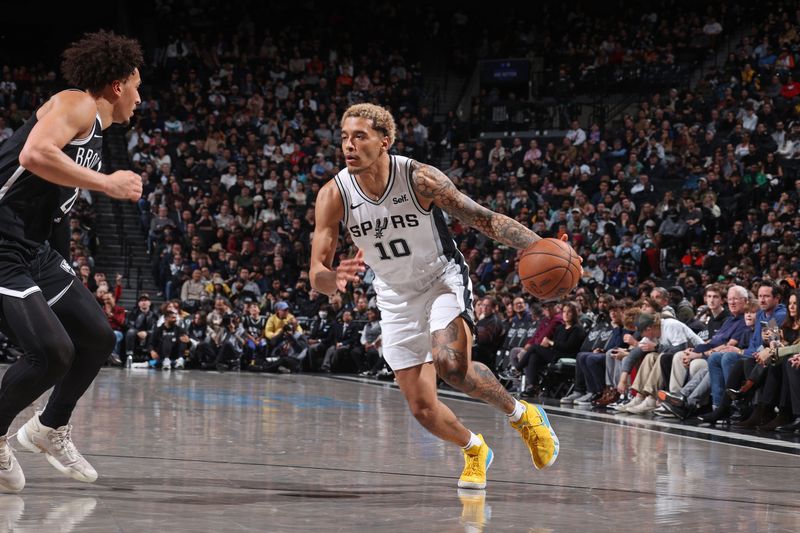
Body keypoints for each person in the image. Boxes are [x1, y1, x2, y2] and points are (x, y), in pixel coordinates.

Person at [310, 103, 570, 490]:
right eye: (345, 137)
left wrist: (541, 245)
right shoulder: (334, 195)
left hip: (440, 280)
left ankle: (523, 415)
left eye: (359, 136)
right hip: (395, 296)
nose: (348, 145)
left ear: (385, 141)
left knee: (451, 365)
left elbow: (484, 219)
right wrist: (334, 278)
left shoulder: (419, 179)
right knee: (423, 409)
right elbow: (317, 274)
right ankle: (474, 448)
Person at [0, 30, 143, 492]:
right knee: (53, 353)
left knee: (97, 336)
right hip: (1, 244)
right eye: (137, 87)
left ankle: (46, 428)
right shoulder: (77, 103)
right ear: (118, 85)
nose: (140, 99)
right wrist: (108, 185)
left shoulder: (95, 138)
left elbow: (54, 209)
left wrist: (64, 273)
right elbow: (34, 153)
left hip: (33, 248)